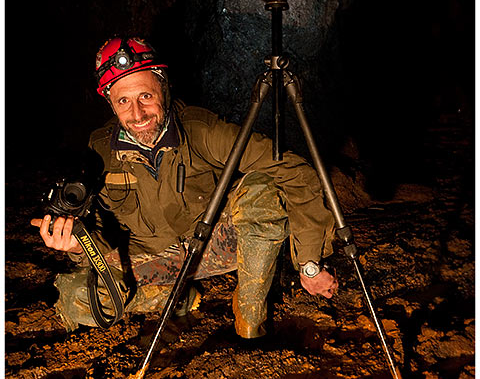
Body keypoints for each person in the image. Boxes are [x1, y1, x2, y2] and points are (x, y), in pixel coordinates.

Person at [31, 37, 338, 339]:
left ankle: (250, 317)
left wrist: (309, 261)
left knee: (263, 192)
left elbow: (293, 171)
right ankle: (179, 297)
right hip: (154, 259)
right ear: (110, 103)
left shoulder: (200, 131)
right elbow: (103, 237)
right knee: (75, 299)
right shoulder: (98, 151)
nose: (137, 114)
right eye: (123, 101)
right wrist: (76, 245)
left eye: (146, 97)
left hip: (215, 247)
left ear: (163, 89)